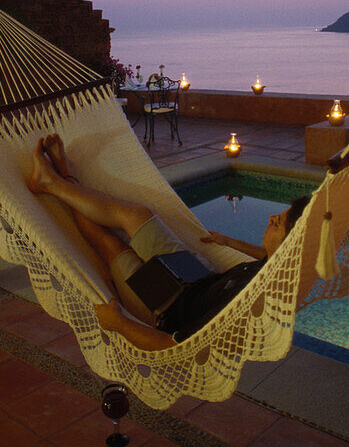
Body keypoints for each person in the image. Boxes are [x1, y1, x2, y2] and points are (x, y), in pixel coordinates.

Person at [27, 134, 310, 350]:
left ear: (289, 243)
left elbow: (172, 345)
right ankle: (59, 179)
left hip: (164, 308)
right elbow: (265, 254)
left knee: (110, 244)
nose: (271, 217)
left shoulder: (249, 304)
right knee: (139, 215)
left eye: (278, 222)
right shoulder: (279, 267)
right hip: (195, 273)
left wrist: (119, 324)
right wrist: (230, 241)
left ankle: (57, 179)